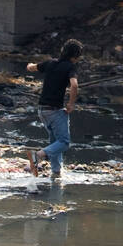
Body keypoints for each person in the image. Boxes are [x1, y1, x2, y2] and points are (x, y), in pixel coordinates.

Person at [25, 39, 81, 179]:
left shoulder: (50, 63)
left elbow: (32, 68)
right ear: (75, 57)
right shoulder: (70, 67)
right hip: (55, 111)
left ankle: (56, 172)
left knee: (55, 141)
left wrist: (29, 65)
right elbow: (74, 85)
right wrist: (71, 104)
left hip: (42, 110)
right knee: (63, 142)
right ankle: (37, 156)